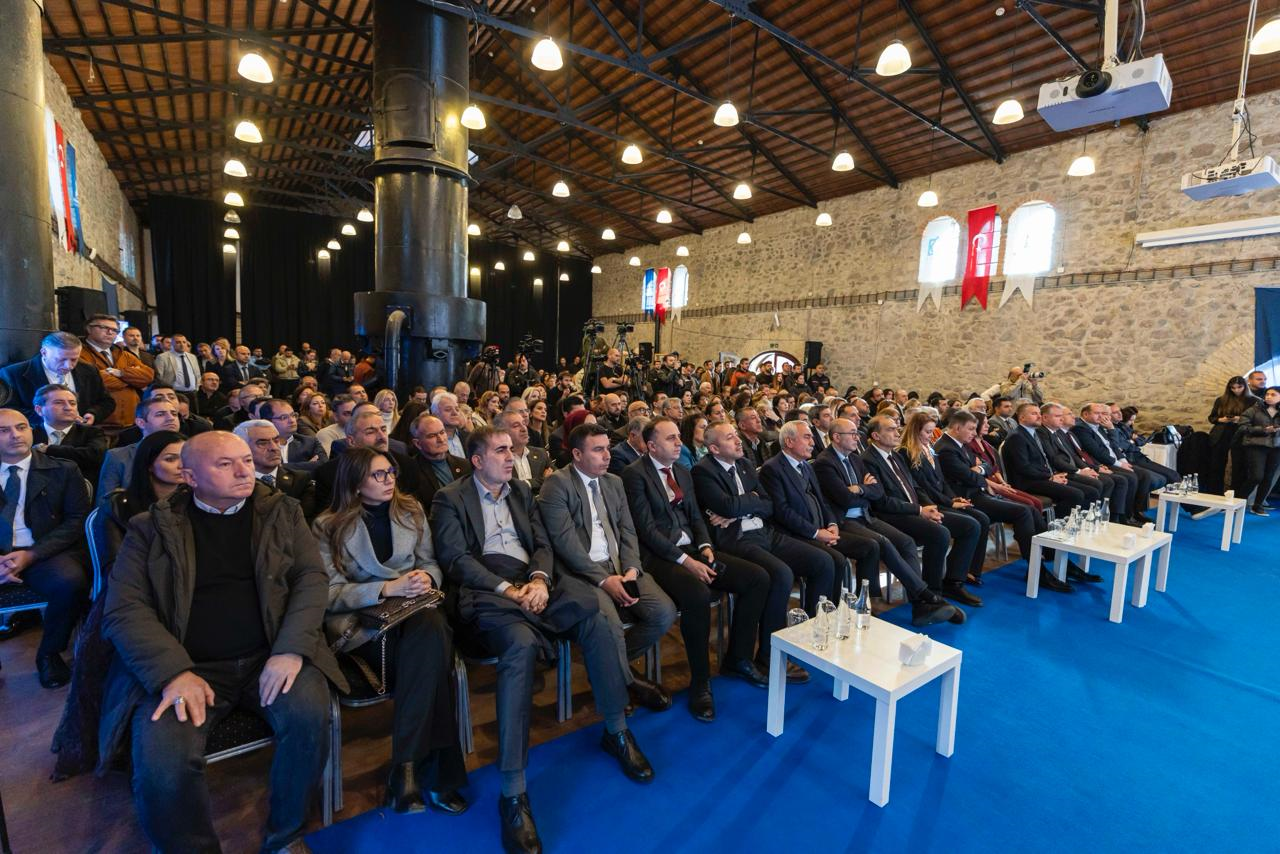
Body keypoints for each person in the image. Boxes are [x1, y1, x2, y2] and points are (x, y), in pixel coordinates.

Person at [100, 431, 345, 852]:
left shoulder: (281, 512)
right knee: (163, 764)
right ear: (191, 477)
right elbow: (125, 609)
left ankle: (286, 834)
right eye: (225, 464)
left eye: (246, 460)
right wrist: (174, 673)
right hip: (188, 665)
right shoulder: (151, 527)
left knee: (308, 720)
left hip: (270, 652)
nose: (244, 471)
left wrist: (290, 649)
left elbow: (311, 580)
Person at [431, 427, 655, 854]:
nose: (510, 455)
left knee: (595, 613)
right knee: (520, 647)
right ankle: (513, 791)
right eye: (501, 450)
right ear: (476, 460)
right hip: (490, 591)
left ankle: (616, 729)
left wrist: (537, 580)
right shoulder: (450, 498)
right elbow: (456, 559)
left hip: (532, 583)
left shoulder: (519, 490)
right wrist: (508, 590)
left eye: (511, 450)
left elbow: (542, 544)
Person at [314, 448, 468, 814]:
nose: (389, 480)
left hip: (414, 612)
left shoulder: (410, 510)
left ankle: (407, 768)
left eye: (391, 473)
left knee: (429, 629)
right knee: (434, 651)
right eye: (378, 475)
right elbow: (327, 593)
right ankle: (434, 774)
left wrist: (425, 577)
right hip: (366, 625)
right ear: (355, 483)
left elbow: (430, 562)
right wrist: (386, 588)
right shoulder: (327, 525)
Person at [52, 430, 186, 779]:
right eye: (171, 458)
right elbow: (117, 568)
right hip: (131, 591)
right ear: (149, 464)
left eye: (185, 458)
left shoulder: (194, 498)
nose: (180, 466)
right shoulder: (120, 506)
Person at [621, 418, 770, 721]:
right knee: (697, 594)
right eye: (671, 438)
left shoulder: (682, 472)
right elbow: (646, 531)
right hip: (660, 557)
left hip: (692, 549)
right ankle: (700, 682)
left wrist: (705, 547)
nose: (680, 442)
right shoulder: (634, 474)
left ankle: (738, 658)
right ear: (651, 446)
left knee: (757, 578)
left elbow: (696, 518)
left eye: (679, 436)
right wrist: (687, 561)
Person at [537, 423, 676, 710]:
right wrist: (603, 580)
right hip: (583, 574)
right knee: (609, 625)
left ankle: (608, 669)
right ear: (577, 454)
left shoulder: (614, 482)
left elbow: (628, 531)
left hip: (620, 565)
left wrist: (632, 568)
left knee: (664, 612)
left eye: (608, 449)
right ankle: (625, 682)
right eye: (598, 450)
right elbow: (565, 545)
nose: (607, 455)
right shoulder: (558, 484)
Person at [692, 422, 838, 683]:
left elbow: (769, 505)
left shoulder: (745, 464)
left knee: (823, 561)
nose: (738, 440)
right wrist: (749, 501)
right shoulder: (703, 471)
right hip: (736, 539)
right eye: (730, 437)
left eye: (736, 435)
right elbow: (727, 505)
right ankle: (769, 655)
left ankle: (808, 633)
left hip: (765, 532)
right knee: (781, 574)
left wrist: (739, 507)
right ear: (714, 448)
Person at [814, 417, 961, 624]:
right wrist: (865, 489)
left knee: (906, 542)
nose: (857, 437)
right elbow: (844, 498)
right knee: (881, 542)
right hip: (844, 521)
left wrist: (859, 489)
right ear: (837, 437)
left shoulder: (855, 458)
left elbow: (877, 491)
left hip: (865, 516)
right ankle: (925, 597)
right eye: (852, 434)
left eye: (857, 433)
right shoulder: (824, 462)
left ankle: (921, 604)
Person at [0, 408, 91, 687]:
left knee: (70, 582)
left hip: (44, 550)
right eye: (4, 430)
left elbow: (76, 521)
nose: (15, 435)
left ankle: (50, 654)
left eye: (21, 427)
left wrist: (31, 555)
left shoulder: (63, 470)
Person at [859, 415, 983, 607]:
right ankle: (932, 592)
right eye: (891, 429)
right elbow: (881, 501)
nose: (897, 433)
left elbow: (915, 487)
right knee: (939, 533)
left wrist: (928, 507)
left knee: (971, 525)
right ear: (876, 435)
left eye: (897, 428)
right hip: (892, 515)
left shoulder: (894, 455)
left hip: (914, 509)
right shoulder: (868, 460)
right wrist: (919, 510)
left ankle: (953, 582)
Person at [934, 410, 1065, 584]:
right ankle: (1037, 569)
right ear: (957, 428)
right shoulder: (946, 448)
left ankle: (1048, 555)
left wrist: (979, 469)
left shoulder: (960, 444)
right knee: (1023, 512)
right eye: (971, 429)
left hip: (978, 492)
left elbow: (987, 466)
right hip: (966, 497)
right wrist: (978, 471)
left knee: (1031, 510)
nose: (974, 433)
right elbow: (969, 476)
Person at [0, 331, 113, 427]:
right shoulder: (12, 374)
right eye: (61, 359)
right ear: (44, 353)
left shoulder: (89, 370)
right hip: (37, 437)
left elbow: (107, 402)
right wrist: (52, 420)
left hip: (81, 437)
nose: (68, 366)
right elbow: (7, 410)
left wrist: (93, 414)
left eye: (74, 359)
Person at [314, 408, 418, 511]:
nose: (382, 437)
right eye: (370, 432)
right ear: (351, 441)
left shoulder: (407, 466)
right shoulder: (328, 474)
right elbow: (328, 517)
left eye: (383, 429)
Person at [1000, 402, 1089, 517]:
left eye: (1039, 413)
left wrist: (1053, 475)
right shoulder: (1017, 437)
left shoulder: (1033, 433)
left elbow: (1044, 460)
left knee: (1086, 490)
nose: (1039, 416)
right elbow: (1023, 467)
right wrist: (1050, 477)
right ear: (1022, 417)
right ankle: (1057, 524)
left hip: (1040, 477)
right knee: (1076, 494)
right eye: (1034, 414)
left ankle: (1075, 521)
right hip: (1027, 482)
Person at [1072, 403, 1155, 523]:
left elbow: (1114, 446)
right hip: (1104, 462)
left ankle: (1135, 512)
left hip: (1114, 459)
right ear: (1085, 414)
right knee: (1129, 477)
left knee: (1144, 475)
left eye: (1102, 413)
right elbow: (1097, 452)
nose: (1101, 416)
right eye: (1097, 413)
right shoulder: (1081, 428)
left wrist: (1122, 460)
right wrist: (1119, 464)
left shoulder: (1099, 426)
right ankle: (1121, 517)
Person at [97, 397, 181, 506]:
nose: (171, 418)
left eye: (174, 414)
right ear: (141, 422)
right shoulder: (118, 456)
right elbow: (104, 505)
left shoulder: (190, 452)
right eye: (160, 414)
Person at [79, 314, 155, 430]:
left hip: (131, 422)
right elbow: (94, 381)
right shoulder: (78, 353)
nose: (110, 332)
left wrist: (121, 373)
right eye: (104, 327)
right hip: (98, 423)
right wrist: (131, 380)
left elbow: (148, 376)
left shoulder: (124, 354)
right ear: (89, 329)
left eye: (114, 330)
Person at [233, 419, 317, 520]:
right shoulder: (232, 485)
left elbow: (303, 520)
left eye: (276, 440)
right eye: (263, 443)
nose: (274, 448)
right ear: (242, 448)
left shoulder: (301, 480)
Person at [31, 384, 107, 485]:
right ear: (39, 410)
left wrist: (48, 449)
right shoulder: (30, 434)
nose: (68, 408)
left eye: (72, 403)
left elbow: (95, 456)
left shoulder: (92, 433)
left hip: (80, 487)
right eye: (59, 403)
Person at [408, 412, 472, 508]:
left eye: (442, 432)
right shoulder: (410, 471)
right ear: (417, 443)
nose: (441, 439)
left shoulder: (465, 465)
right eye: (432, 436)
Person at [1203, 377, 1253, 496]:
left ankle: (1236, 495)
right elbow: (1212, 417)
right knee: (1217, 464)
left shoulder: (1253, 401)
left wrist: (1240, 419)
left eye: (1239, 387)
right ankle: (1214, 493)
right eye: (1233, 388)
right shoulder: (1221, 400)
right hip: (1222, 433)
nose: (1236, 390)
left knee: (1238, 466)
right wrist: (1221, 419)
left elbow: (1256, 420)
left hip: (1241, 433)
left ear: (1245, 386)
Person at [1236, 387, 1280, 515]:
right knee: (1256, 477)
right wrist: (1264, 430)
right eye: (1267, 394)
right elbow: (1242, 426)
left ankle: (1258, 505)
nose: (1268, 397)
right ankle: (1237, 502)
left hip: (1276, 447)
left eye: (1273, 394)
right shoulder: (1255, 409)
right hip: (1256, 446)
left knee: (1268, 478)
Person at [259, 398, 327, 471]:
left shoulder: (310, 442)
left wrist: (280, 467)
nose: (292, 420)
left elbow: (324, 465)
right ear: (268, 421)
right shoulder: (259, 446)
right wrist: (307, 465)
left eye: (293, 415)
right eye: (284, 417)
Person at [494, 411, 552, 495]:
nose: (524, 429)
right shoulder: (497, 459)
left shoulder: (541, 453)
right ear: (501, 432)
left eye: (524, 424)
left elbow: (556, 477)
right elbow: (510, 488)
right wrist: (541, 481)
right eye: (516, 426)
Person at [431, 391, 469, 458]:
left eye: (457, 409)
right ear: (435, 415)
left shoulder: (468, 437)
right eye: (448, 409)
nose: (455, 413)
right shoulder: (431, 443)